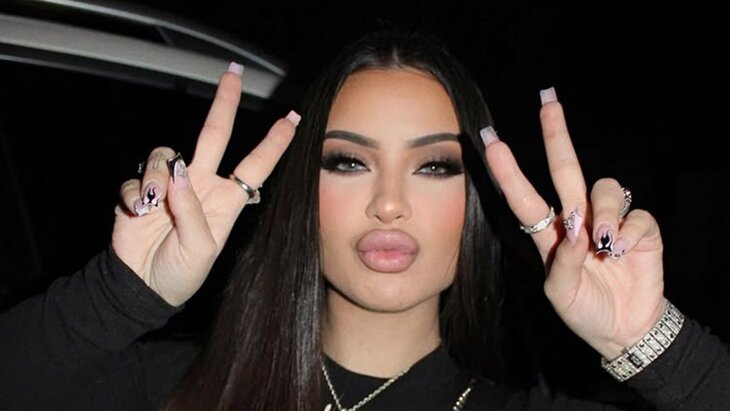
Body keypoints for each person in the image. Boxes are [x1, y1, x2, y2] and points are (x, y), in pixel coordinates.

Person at [1, 29, 729, 411]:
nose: (388, 203)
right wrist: (120, 294)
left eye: (433, 166)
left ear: (477, 204)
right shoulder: (168, 389)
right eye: (348, 161)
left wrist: (648, 338)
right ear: (299, 195)